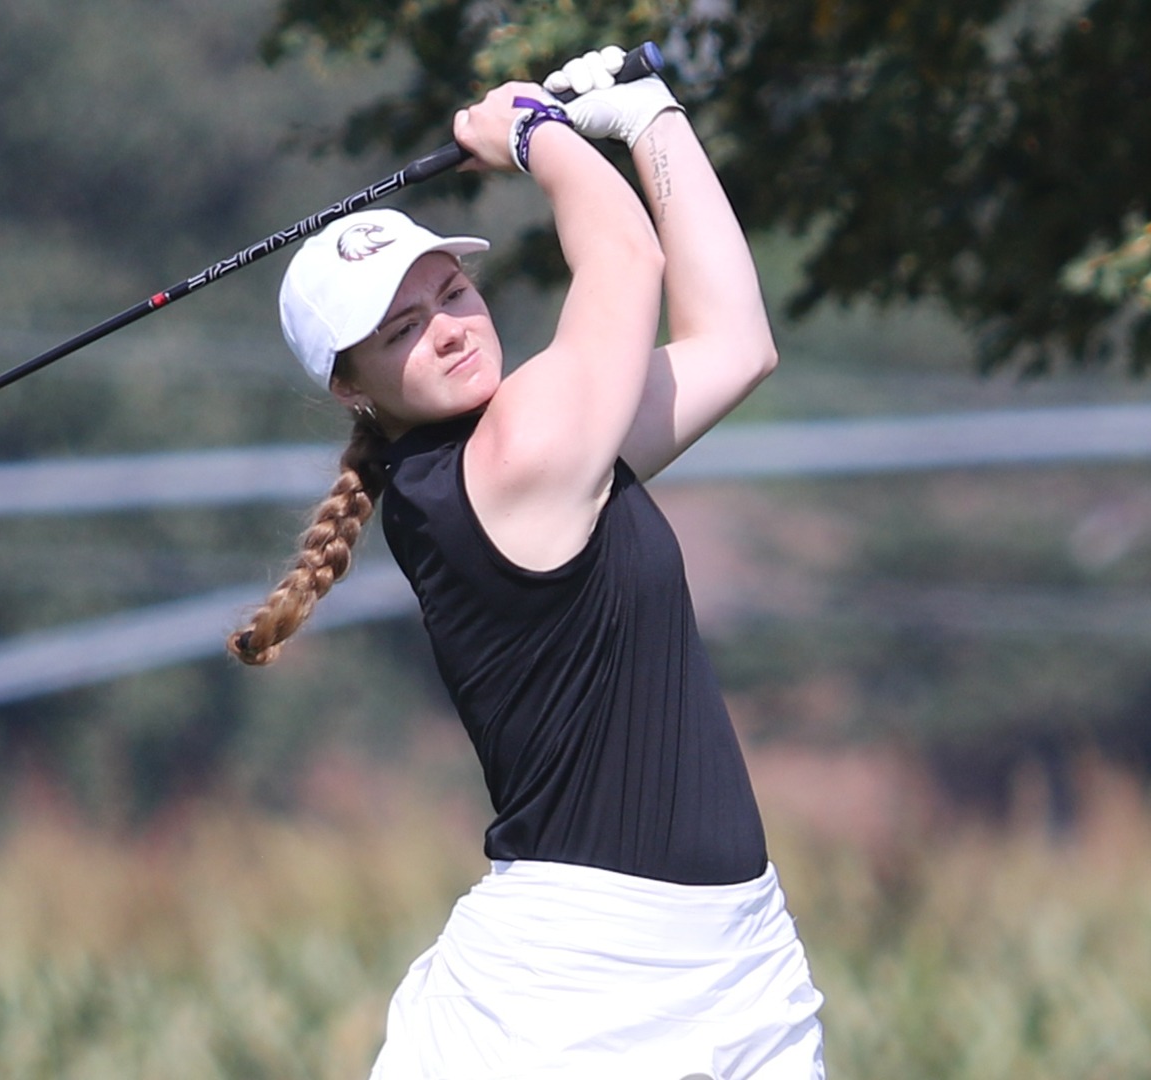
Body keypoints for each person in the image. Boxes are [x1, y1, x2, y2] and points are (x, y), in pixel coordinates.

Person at [228, 45, 825, 1080]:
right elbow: (626, 261)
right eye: (403, 329)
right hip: (576, 989)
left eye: (452, 292)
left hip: (741, 959)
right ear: (355, 387)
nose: (451, 330)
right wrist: (529, 135)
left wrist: (650, 119)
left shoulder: (543, 443)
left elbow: (735, 343)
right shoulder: (512, 457)